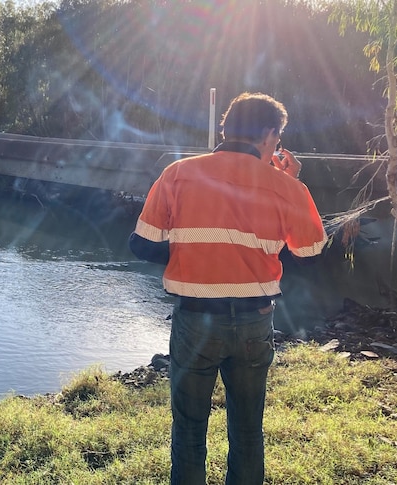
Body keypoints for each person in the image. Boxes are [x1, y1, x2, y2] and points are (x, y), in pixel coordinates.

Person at [128, 92, 327, 485]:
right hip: (255, 322)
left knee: (188, 431)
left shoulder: (178, 173)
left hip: (195, 320)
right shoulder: (285, 187)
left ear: (226, 129)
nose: (277, 147)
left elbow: (142, 244)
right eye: (278, 139)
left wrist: (193, 252)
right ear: (269, 135)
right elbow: (311, 249)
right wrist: (293, 183)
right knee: (248, 429)